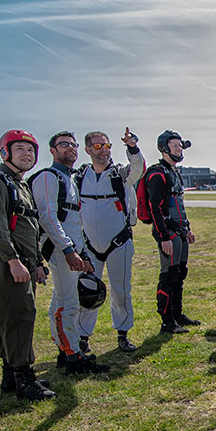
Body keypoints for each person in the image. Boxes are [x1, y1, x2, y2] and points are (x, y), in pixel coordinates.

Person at [0, 130, 54, 399]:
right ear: (4, 152)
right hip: (6, 264)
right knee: (20, 316)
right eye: (19, 148)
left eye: (31, 150)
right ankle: (24, 379)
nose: (27, 154)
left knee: (14, 317)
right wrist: (12, 261)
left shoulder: (19, 185)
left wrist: (37, 263)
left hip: (23, 264)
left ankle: (10, 376)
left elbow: (28, 228)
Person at [30, 131, 106, 374]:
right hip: (61, 250)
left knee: (60, 301)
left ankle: (65, 350)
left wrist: (82, 253)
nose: (70, 149)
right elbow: (48, 216)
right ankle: (73, 357)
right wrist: (68, 250)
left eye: (73, 145)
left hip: (72, 249)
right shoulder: (48, 177)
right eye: (63, 145)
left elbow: (75, 220)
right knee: (68, 304)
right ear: (52, 150)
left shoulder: (68, 179)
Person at [75, 128, 145, 354]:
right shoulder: (79, 177)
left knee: (121, 290)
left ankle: (123, 333)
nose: (103, 150)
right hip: (90, 246)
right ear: (87, 149)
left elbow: (138, 169)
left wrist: (132, 147)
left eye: (106, 146)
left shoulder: (120, 175)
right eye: (97, 146)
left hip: (118, 242)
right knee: (87, 290)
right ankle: (83, 336)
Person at [146, 129, 198, 334]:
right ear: (164, 149)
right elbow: (155, 208)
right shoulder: (157, 173)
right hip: (168, 233)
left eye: (180, 146)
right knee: (169, 275)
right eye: (175, 146)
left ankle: (178, 314)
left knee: (180, 273)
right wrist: (163, 237)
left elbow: (179, 205)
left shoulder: (174, 172)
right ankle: (167, 321)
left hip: (180, 232)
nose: (179, 149)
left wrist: (188, 229)